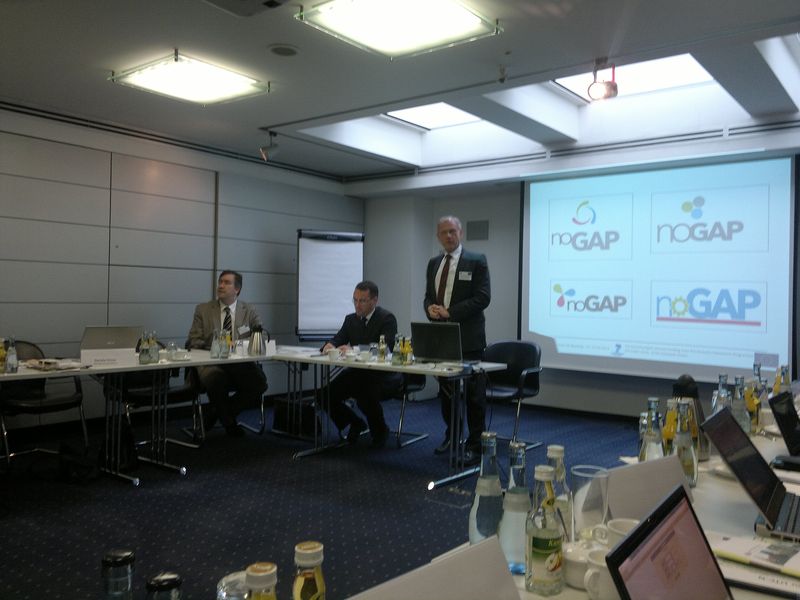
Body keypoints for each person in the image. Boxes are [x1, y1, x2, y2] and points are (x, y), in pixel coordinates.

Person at [424, 215, 491, 463]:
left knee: (474, 396)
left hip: (469, 339)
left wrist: (450, 312)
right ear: (438, 236)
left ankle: (475, 445)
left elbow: (483, 297)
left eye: (452, 231)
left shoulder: (476, 260)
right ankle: (452, 436)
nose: (449, 236)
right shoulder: (433, 263)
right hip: (443, 339)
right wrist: (429, 308)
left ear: (460, 233)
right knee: (447, 392)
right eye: (444, 232)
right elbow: (428, 296)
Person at [320, 280, 402, 448]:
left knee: (365, 391)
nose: (357, 305)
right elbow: (338, 338)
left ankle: (380, 431)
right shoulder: (351, 319)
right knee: (324, 395)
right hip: (358, 373)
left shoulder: (386, 318)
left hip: (382, 374)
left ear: (374, 300)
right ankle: (355, 422)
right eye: (355, 300)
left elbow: (385, 348)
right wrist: (329, 345)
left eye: (362, 301)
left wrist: (354, 349)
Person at [187, 270, 268, 437]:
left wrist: (241, 345)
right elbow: (194, 340)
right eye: (220, 282)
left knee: (260, 383)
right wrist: (219, 346)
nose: (221, 286)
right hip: (211, 362)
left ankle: (216, 414)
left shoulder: (249, 310)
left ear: (237, 289)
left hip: (238, 363)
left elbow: (263, 335)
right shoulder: (203, 309)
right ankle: (229, 423)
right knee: (217, 378)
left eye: (226, 282)